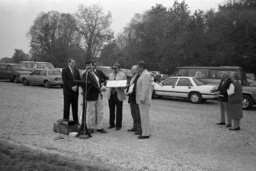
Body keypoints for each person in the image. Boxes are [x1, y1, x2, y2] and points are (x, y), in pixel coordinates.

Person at [81, 61, 107, 134]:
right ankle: (90, 127)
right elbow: (89, 84)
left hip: (98, 94)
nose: (90, 66)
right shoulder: (85, 75)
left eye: (91, 65)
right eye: (88, 65)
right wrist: (99, 88)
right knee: (91, 112)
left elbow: (101, 81)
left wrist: (103, 85)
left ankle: (100, 127)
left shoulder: (95, 73)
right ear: (86, 66)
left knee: (100, 111)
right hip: (91, 95)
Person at [136, 60, 153, 139]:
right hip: (142, 99)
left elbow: (145, 88)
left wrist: (142, 98)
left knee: (144, 117)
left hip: (144, 100)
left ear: (141, 67)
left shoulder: (145, 75)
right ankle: (146, 131)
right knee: (144, 116)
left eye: (138, 67)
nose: (137, 68)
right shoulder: (143, 74)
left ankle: (145, 133)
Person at [107, 63, 127, 130]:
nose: (114, 69)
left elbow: (125, 86)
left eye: (115, 68)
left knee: (119, 110)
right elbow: (108, 83)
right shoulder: (110, 75)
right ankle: (111, 124)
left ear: (119, 68)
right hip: (111, 94)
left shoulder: (123, 75)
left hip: (118, 93)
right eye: (113, 68)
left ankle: (118, 125)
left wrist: (120, 86)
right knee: (111, 110)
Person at [61, 58, 81, 124]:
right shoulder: (64, 70)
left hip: (75, 92)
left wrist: (77, 86)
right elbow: (65, 80)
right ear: (69, 63)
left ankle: (76, 121)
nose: (74, 64)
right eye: (72, 62)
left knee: (75, 108)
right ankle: (66, 121)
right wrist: (71, 87)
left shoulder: (77, 71)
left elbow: (79, 80)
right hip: (68, 92)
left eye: (74, 63)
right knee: (66, 108)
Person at [127, 65, 142, 134]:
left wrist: (133, 90)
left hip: (136, 97)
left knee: (137, 114)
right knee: (133, 113)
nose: (131, 70)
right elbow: (130, 85)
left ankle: (139, 129)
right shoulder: (132, 77)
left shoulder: (139, 77)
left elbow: (139, 87)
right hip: (131, 97)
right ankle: (135, 126)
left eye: (132, 69)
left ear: (136, 70)